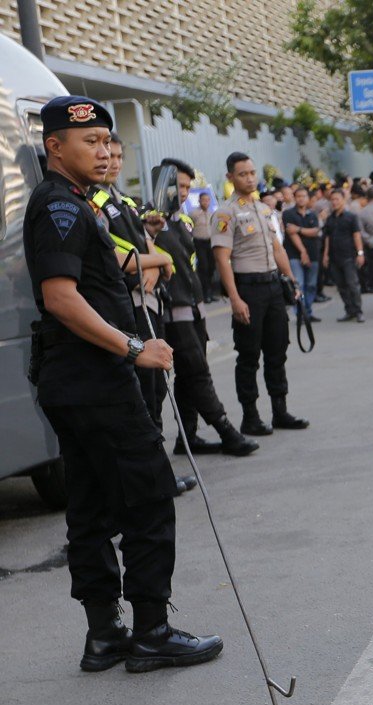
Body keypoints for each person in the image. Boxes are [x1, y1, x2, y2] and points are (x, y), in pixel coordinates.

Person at [23, 96, 222, 672]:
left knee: (88, 506)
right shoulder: (61, 208)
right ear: (54, 146)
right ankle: (152, 631)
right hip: (93, 378)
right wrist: (135, 347)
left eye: (109, 141)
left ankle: (105, 634)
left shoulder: (78, 204)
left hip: (73, 379)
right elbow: (61, 298)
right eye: (90, 141)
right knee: (149, 494)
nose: (104, 150)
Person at [94, 136, 199, 496]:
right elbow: (120, 259)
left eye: (119, 154)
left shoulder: (123, 201)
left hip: (148, 302)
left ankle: (159, 477)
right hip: (127, 308)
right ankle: (149, 482)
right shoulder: (94, 203)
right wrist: (161, 260)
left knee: (153, 396)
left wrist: (153, 258)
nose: (113, 160)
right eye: (108, 154)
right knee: (141, 398)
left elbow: (143, 247)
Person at [144, 158, 259, 458]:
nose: (183, 192)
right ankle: (227, 431)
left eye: (186, 187)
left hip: (194, 308)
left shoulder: (183, 221)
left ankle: (188, 437)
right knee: (197, 372)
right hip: (172, 310)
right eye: (178, 185)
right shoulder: (146, 220)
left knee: (188, 375)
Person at [211, 152, 311, 436]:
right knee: (249, 355)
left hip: (272, 287)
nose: (249, 178)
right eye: (243, 174)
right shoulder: (225, 213)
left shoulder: (266, 210)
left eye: (252, 172)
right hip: (248, 288)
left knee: (277, 351)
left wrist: (292, 282)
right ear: (230, 177)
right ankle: (250, 416)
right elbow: (222, 258)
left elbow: (278, 249)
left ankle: (280, 410)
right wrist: (235, 298)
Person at [322, 188, 366, 322]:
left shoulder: (351, 217)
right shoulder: (329, 219)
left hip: (349, 256)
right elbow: (327, 238)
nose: (334, 202)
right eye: (332, 200)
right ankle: (349, 310)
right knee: (341, 286)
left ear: (343, 200)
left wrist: (360, 253)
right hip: (334, 257)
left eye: (337, 199)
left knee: (353, 284)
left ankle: (358, 311)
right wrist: (325, 255)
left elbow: (357, 235)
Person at [282, 186, 323, 322]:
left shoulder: (313, 214)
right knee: (299, 284)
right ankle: (300, 313)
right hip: (294, 255)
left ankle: (308, 311)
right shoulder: (288, 214)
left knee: (311, 285)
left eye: (304, 196)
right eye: (298, 196)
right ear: (294, 198)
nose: (301, 199)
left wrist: (299, 229)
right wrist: (302, 251)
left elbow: (315, 231)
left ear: (308, 198)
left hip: (314, 254)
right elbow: (291, 233)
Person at [192, 191, 218, 302]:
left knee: (211, 267)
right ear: (199, 201)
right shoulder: (194, 214)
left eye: (208, 200)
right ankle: (204, 294)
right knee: (204, 267)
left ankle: (211, 292)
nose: (206, 202)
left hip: (210, 242)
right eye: (203, 200)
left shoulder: (212, 214)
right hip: (199, 242)